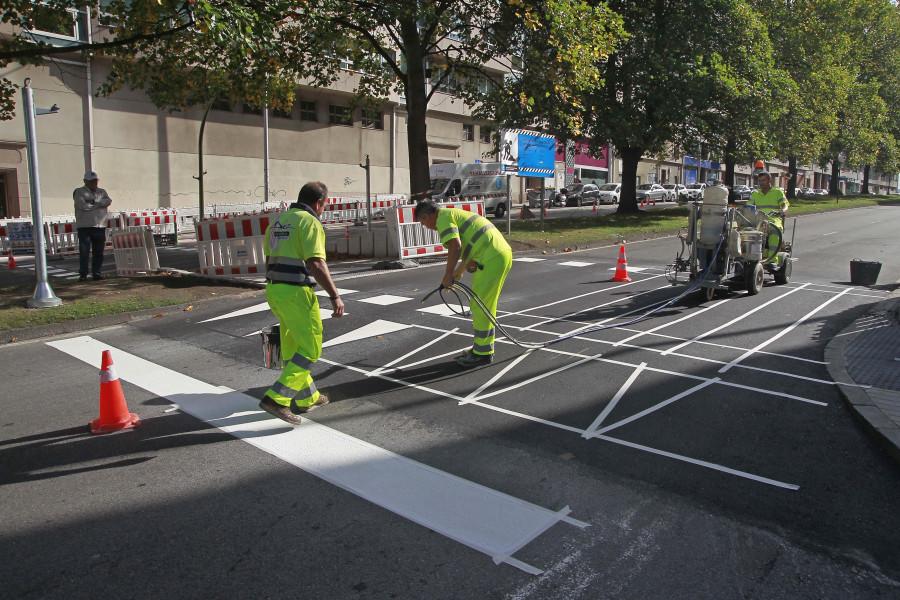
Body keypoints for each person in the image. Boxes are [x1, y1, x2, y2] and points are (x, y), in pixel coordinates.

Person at [260, 181, 345, 425]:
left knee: (292, 346)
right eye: (325, 205)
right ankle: (277, 399)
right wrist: (334, 295)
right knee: (310, 348)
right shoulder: (310, 222)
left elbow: (269, 257)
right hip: (297, 292)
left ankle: (308, 397)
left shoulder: (278, 221)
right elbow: (316, 262)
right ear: (319, 202)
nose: (323, 210)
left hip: (275, 289)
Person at [415, 199, 512, 367]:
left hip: (491, 257)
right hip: (499, 254)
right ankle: (483, 349)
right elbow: (471, 246)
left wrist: (447, 276)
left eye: (423, 223)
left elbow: (455, 246)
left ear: (428, 216)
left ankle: (482, 354)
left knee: (480, 306)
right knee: (485, 305)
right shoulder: (452, 214)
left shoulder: (443, 218)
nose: (426, 227)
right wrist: (458, 272)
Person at [73, 170, 112, 281]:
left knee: (98, 252)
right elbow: (83, 206)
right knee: (85, 252)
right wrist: (99, 204)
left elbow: (108, 201)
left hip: (99, 226)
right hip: (85, 226)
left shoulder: (101, 191)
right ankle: (83, 274)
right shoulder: (79, 192)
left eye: (95, 181)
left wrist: (93, 202)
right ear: (85, 181)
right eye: (91, 181)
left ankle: (97, 273)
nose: (93, 183)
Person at [749, 171, 790, 265]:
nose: (761, 183)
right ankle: (750, 256)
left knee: (775, 230)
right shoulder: (755, 194)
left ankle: (772, 260)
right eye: (759, 180)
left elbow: (785, 205)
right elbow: (748, 207)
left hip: (773, 219)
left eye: (763, 180)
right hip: (758, 220)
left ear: (770, 180)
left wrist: (783, 211)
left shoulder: (777, 192)